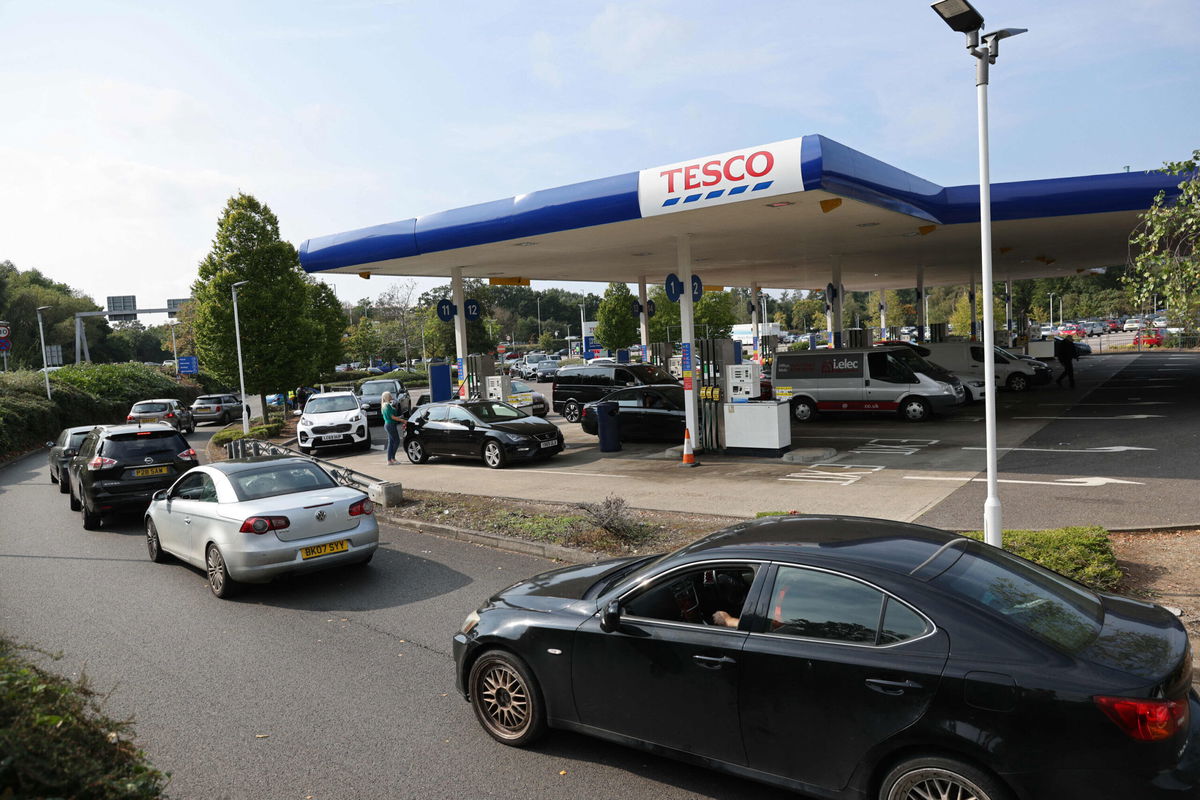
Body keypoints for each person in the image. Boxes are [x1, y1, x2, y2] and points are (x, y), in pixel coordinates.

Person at [381, 391, 402, 465]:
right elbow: (392, 417)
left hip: (388, 424)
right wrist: (402, 420)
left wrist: (399, 417)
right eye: (390, 396)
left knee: (391, 442)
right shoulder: (387, 406)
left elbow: (392, 415)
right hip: (390, 425)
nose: (391, 397)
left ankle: (389, 460)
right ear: (387, 397)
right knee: (397, 441)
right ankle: (392, 458)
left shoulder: (385, 405)